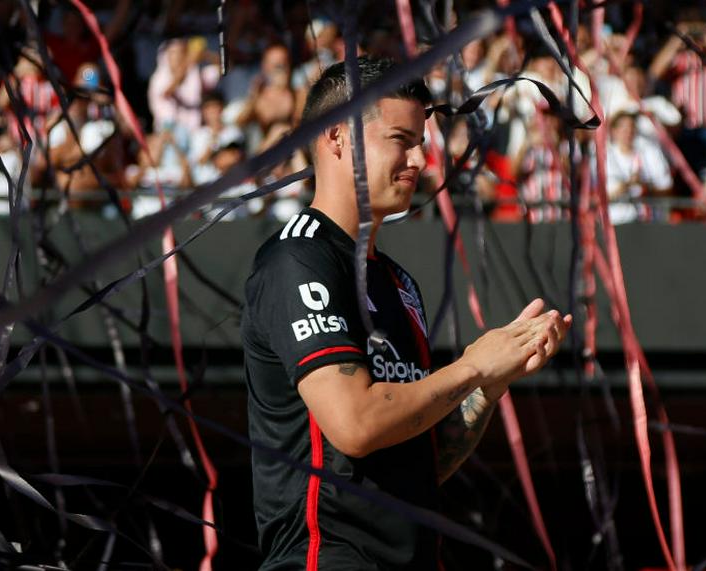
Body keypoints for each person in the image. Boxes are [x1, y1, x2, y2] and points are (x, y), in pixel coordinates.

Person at [241, 57, 571, 570]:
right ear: (336, 138)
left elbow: (421, 460)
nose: (420, 159)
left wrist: (490, 384)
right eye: (402, 138)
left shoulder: (398, 281)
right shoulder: (298, 258)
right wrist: (471, 366)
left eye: (422, 141)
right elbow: (355, 424)